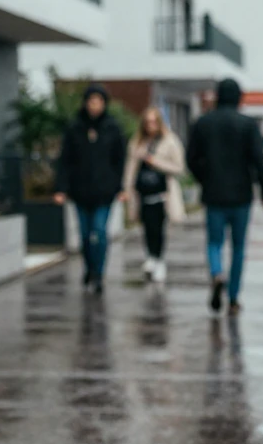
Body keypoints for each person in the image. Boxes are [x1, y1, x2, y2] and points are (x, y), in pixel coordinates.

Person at [187, 78, 263, 314]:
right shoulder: (247, 124)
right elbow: (258, 161)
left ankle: (216, 273)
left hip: (213, 193)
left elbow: (191, 159)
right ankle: (233, 297)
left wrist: (204, 178)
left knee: (214, 242)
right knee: (238, 246)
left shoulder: (202, 123)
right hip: (241, 195)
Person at [54, 84, 127, 295]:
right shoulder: (74, 128)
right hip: (80, 191)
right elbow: (65, 160)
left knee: (100, 231)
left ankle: (99, 274)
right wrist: (61, 188)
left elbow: (119, 160)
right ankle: (89, 268)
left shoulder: (113, 128)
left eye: (99, 101)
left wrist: (120, 187)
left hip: (105, 191)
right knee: (85, 234)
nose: (95, 106)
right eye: (91, 101)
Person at [122, 106, 187, 284]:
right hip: (141, 193)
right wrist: (126, 190)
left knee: (158, 229)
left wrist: (155, 161)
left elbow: (179, 167)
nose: (151, 125)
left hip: (162, 194)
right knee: (146, 227)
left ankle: (159, 260)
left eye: (154, 121)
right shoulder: (137, 143)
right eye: (147, 122)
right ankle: (150, 257)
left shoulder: (170, 141)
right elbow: (130, 169)